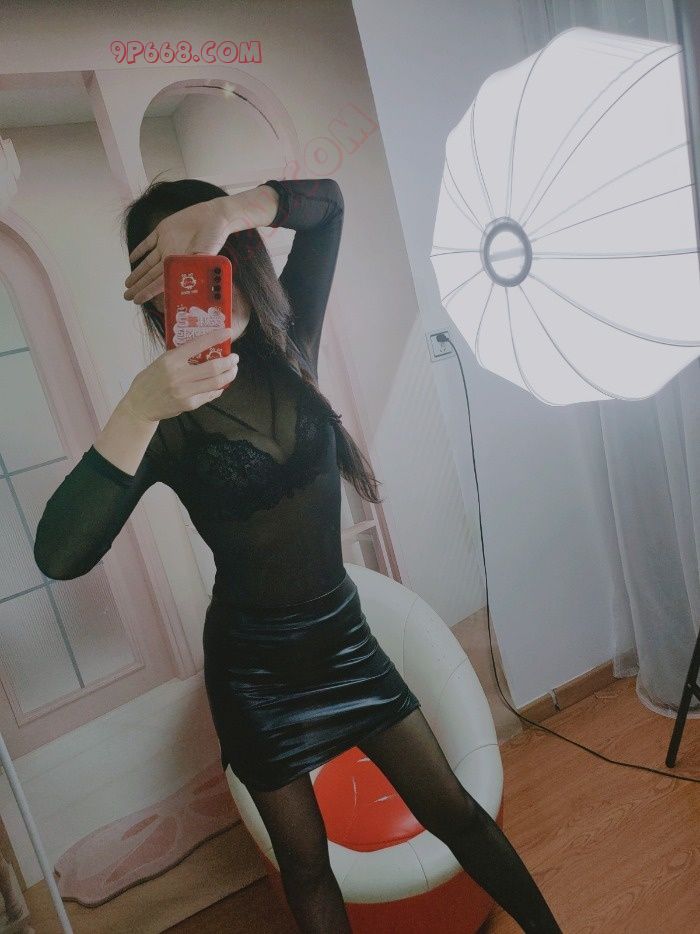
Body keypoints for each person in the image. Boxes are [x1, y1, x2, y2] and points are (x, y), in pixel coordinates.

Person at [33, 176, 562, 933]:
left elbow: (329, 208)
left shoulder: (292, 344)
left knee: (456, 811)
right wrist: (138, 406)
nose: (203, 278)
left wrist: (227, 209)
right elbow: (59, 554)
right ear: (155, 295)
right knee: (307, 866)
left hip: (345, 643)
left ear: (241, 254)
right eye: (179, 270)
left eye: (211, 253)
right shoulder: (164, 420)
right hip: (255, 678)